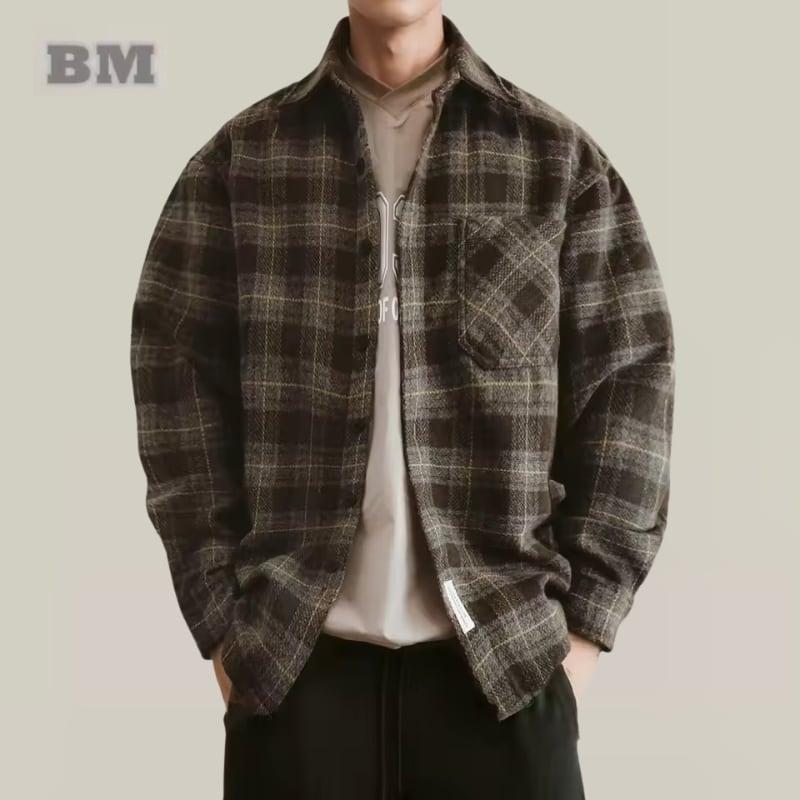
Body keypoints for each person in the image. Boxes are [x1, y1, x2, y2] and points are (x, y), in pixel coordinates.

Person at [129, 2, 675, 798]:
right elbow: (173, 375)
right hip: (296, 677)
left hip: (503, 673)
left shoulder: (555, 162)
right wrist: (224, 629)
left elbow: (631, 383)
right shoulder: (242, 162)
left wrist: (582, 635)